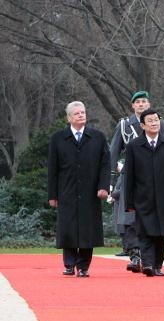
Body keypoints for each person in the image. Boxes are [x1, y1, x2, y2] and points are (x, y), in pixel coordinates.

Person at [48, 101, 110, 277]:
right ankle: (69, 264)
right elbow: (52, 169)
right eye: (77, 113)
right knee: (67, 228)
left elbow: (105, 165)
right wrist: (52, 195)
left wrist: (104, 187)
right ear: (69, 118)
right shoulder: (57, 139)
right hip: (66, 190)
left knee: (87, 229)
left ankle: (83, 266)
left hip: (91, 192)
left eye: (83, 112)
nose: (81, 115)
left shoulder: (98, 137)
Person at [109, 91, 164, 272]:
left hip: (154, 176)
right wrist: (111, 177)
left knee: (150, 215)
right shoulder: (124, 125)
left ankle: (148, 256)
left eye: (144, 101)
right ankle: (135, 255)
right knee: (130, 217)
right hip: (131, 175)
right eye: (138, 102)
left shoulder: (159, 122)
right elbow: (113, 151)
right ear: (133, 106)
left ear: (149, 105)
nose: (141, 104)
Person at [125, 109, 164, 277]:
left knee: (161, 234)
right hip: (143, 197)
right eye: (150, 121)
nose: (154, 123)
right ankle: (148, 264)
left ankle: (157, 265)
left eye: (156, 120)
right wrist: (129, 202)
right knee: (144, 232)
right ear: (143, 125)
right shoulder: (134, 146)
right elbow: (129, 176)